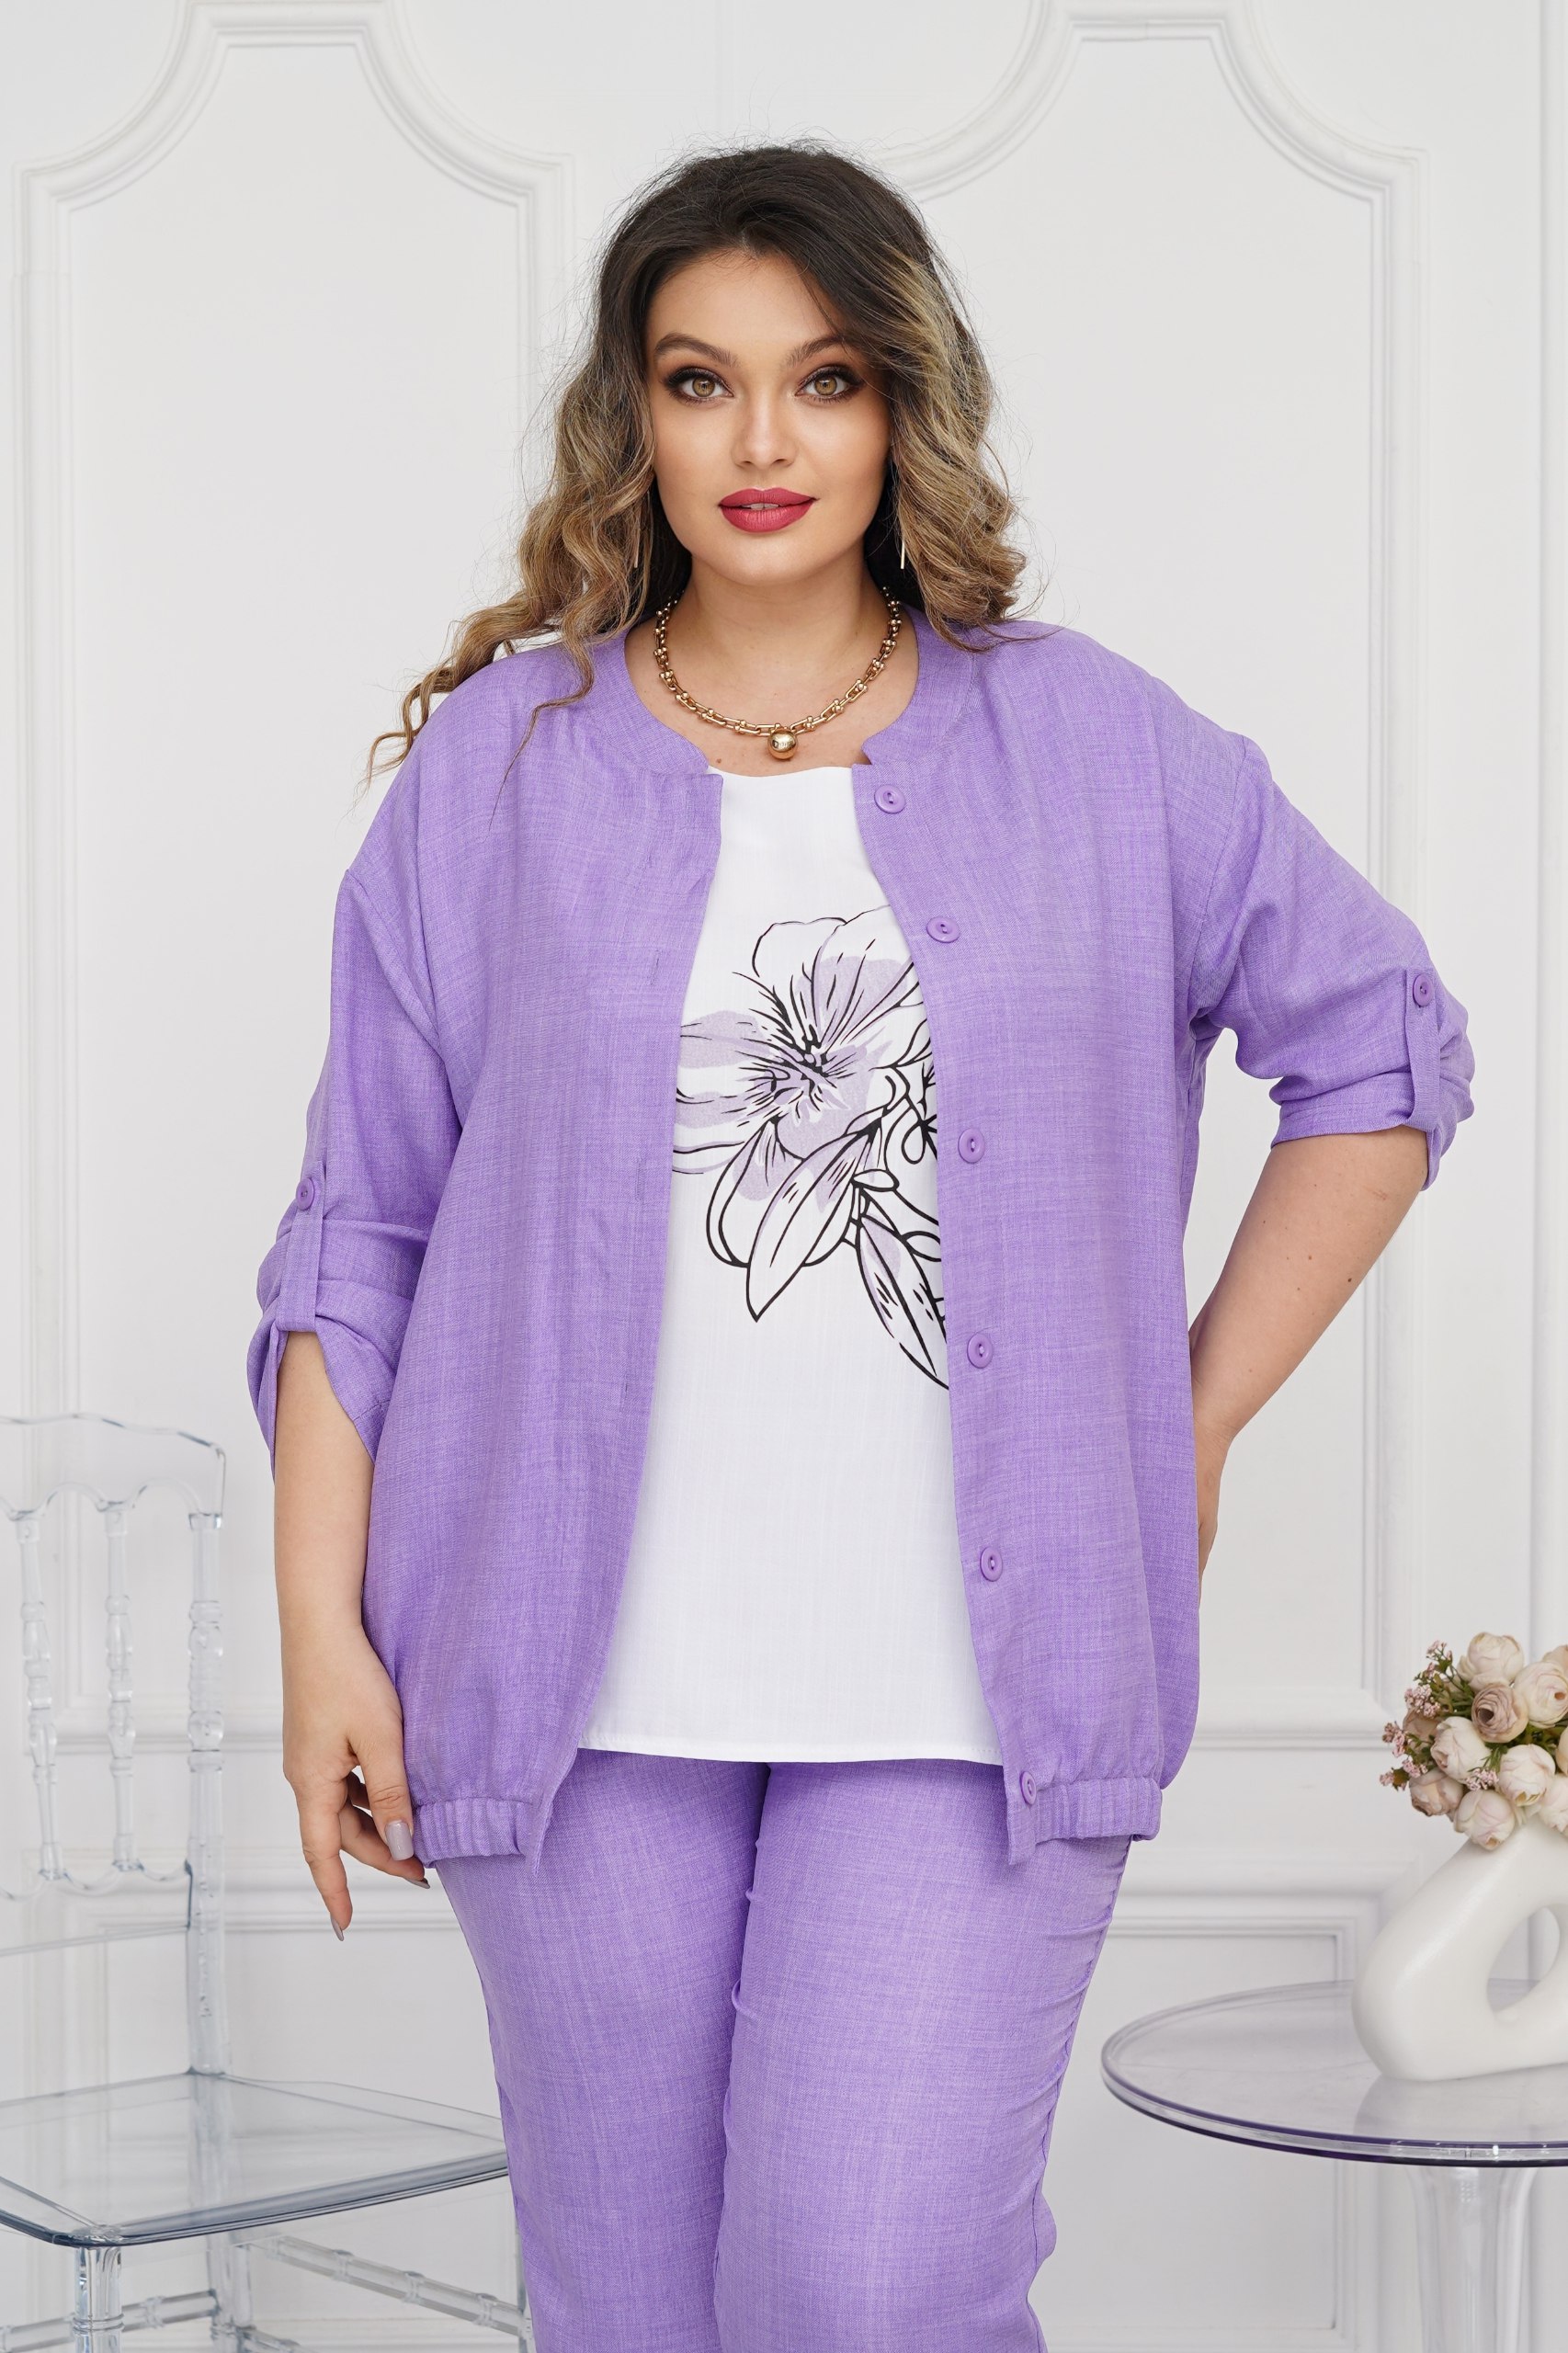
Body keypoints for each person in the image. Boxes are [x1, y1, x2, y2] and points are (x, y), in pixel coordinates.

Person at [249, 140, 1475, 2353]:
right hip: (560, 1685)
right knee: (627, 2309)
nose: (763, 438)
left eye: (821, 379)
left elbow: (1380, 1051)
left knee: (864, 2283)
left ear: (903, 402)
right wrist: (322, 1633)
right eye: (698, 380)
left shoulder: (1094, 742)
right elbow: (362, 1227)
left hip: (967, 1697)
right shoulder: (501, 769)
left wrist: (1183, 1420)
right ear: (633, 417)